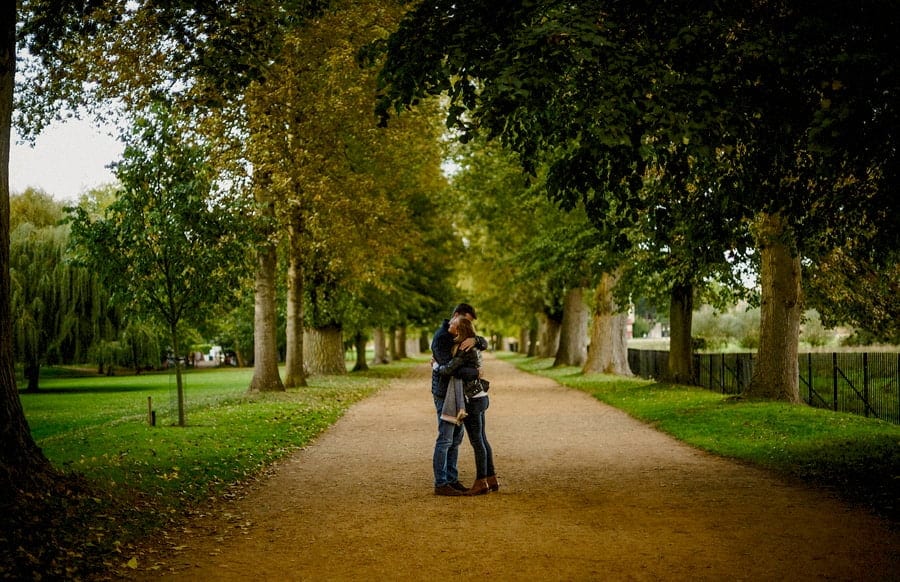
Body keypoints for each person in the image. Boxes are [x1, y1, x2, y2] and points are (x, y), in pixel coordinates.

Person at [434, 317, 498, 496]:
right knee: (481, 439)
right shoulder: (469, 345)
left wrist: (436, 366)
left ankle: (481, 482)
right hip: (479, 396)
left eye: (453, 324)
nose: (449, 325)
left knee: (477, 441)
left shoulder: (465, 348)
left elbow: (450, 370)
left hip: (473, 399)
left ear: (460, 329)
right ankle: (491, 479)